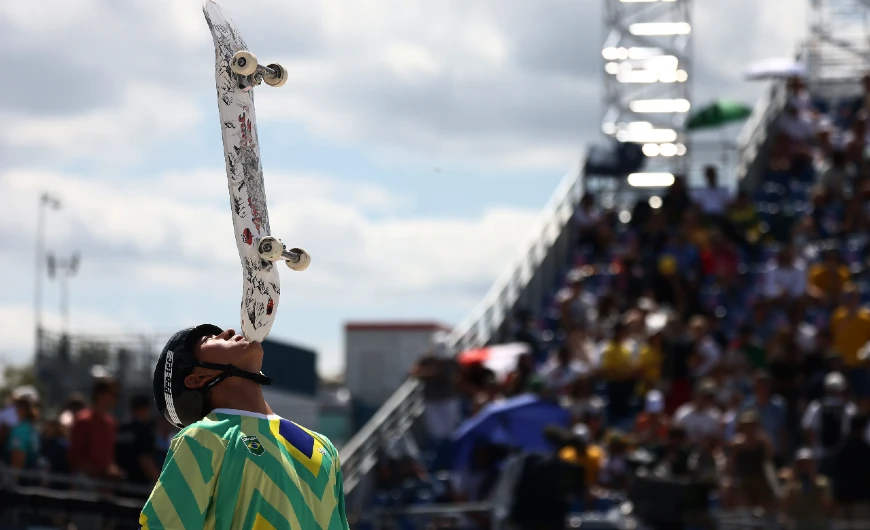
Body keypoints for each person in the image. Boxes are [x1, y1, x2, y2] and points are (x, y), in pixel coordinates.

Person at [139, 324, 349, 530]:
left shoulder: (323, 446)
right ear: (197, 379)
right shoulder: (202, 439)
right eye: (208, 339)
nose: (228, 332)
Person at [115, 394, 159, 489]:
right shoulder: (144, 430)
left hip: (120, 483)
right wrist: (161, 484)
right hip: (139, 485)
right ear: (146, 409)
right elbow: (145, 460)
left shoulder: (121, 428)